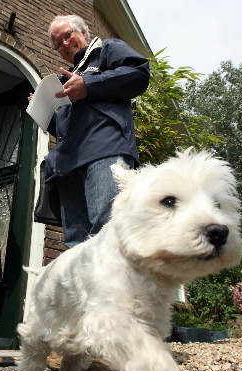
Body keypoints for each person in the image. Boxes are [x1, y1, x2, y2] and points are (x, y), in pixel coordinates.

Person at [42, 14, 150, 248]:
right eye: (58, 43)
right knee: (76, 246)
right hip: (69, 167)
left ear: (83, 33)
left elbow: (140, 73)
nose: (64, 44)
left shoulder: (106, 50)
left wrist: (88, 85)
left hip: (105, 152)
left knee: (108, 231)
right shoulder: (64, 81)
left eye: (67, 35)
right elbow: (62, 129)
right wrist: (43, 112)